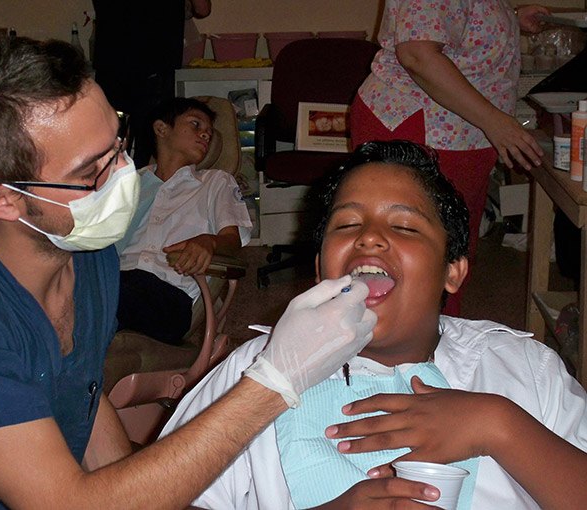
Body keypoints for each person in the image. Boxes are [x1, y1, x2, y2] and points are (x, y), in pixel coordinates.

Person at [0, 36, 378, 508]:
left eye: (119, 143)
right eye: (93, 171)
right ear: (3, 199)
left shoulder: (87, 253)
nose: (124, 175)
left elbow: (83, 401)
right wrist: (277, 380)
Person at [162, 140, 587, 509]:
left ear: (453, 271)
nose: (369, 237)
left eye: (403, 226)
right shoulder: (257, 372)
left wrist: (498, 426)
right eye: (347, 224)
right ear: (318, 268)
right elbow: (163, 496)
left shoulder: (523, 369)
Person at [351, 1, 550, 315]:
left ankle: (429, 350)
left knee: (445, 260)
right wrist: (495, 121)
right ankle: (401, 356)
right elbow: (417, 54)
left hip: (454, 131)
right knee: (417, 264)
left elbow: (453, 19)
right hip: (422, 127)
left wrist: (509, 20)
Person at [115, 97, 252, 345]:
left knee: (98, 299)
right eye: (195, 125)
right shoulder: (128, 184)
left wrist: (208, 242)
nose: (205, 135)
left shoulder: (214, 182)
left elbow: (232, 241)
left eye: (209, 133)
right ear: (161, 129)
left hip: (168, 296)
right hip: (117, 280)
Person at [93, 0, 212, 168]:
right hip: (155, 64)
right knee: (154, 146)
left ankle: (111, 189)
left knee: (109, 148)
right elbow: (202, 8)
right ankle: (148, 191)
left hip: (113, 62)